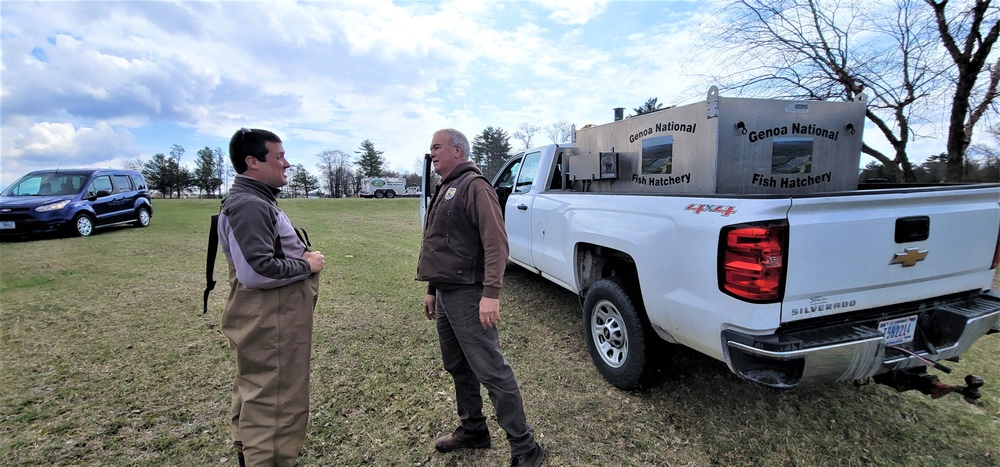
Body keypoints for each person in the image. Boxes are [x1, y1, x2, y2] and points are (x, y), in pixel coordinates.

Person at [416, 128, 545, 467]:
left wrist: (491, 294)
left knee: (491, 371)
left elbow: (496, 244)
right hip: (446, 293)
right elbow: (441, 245)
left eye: (437, 147)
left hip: (470, 295)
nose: (432, 155)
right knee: (458, 366)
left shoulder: (476, 186)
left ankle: (525, 447)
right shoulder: (445, 187)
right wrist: (432, 289)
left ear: (458, 150)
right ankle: (473, 430)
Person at [218, 128, 325, 466]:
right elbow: (257, 271)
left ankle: (249, 455)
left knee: (258, 392)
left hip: (267, 317)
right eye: (279, 157)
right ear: (252, 162)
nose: (287, 164)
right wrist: (306, 263)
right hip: (271, 320)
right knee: (277, 404)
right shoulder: (250, 205)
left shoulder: (252, 200)